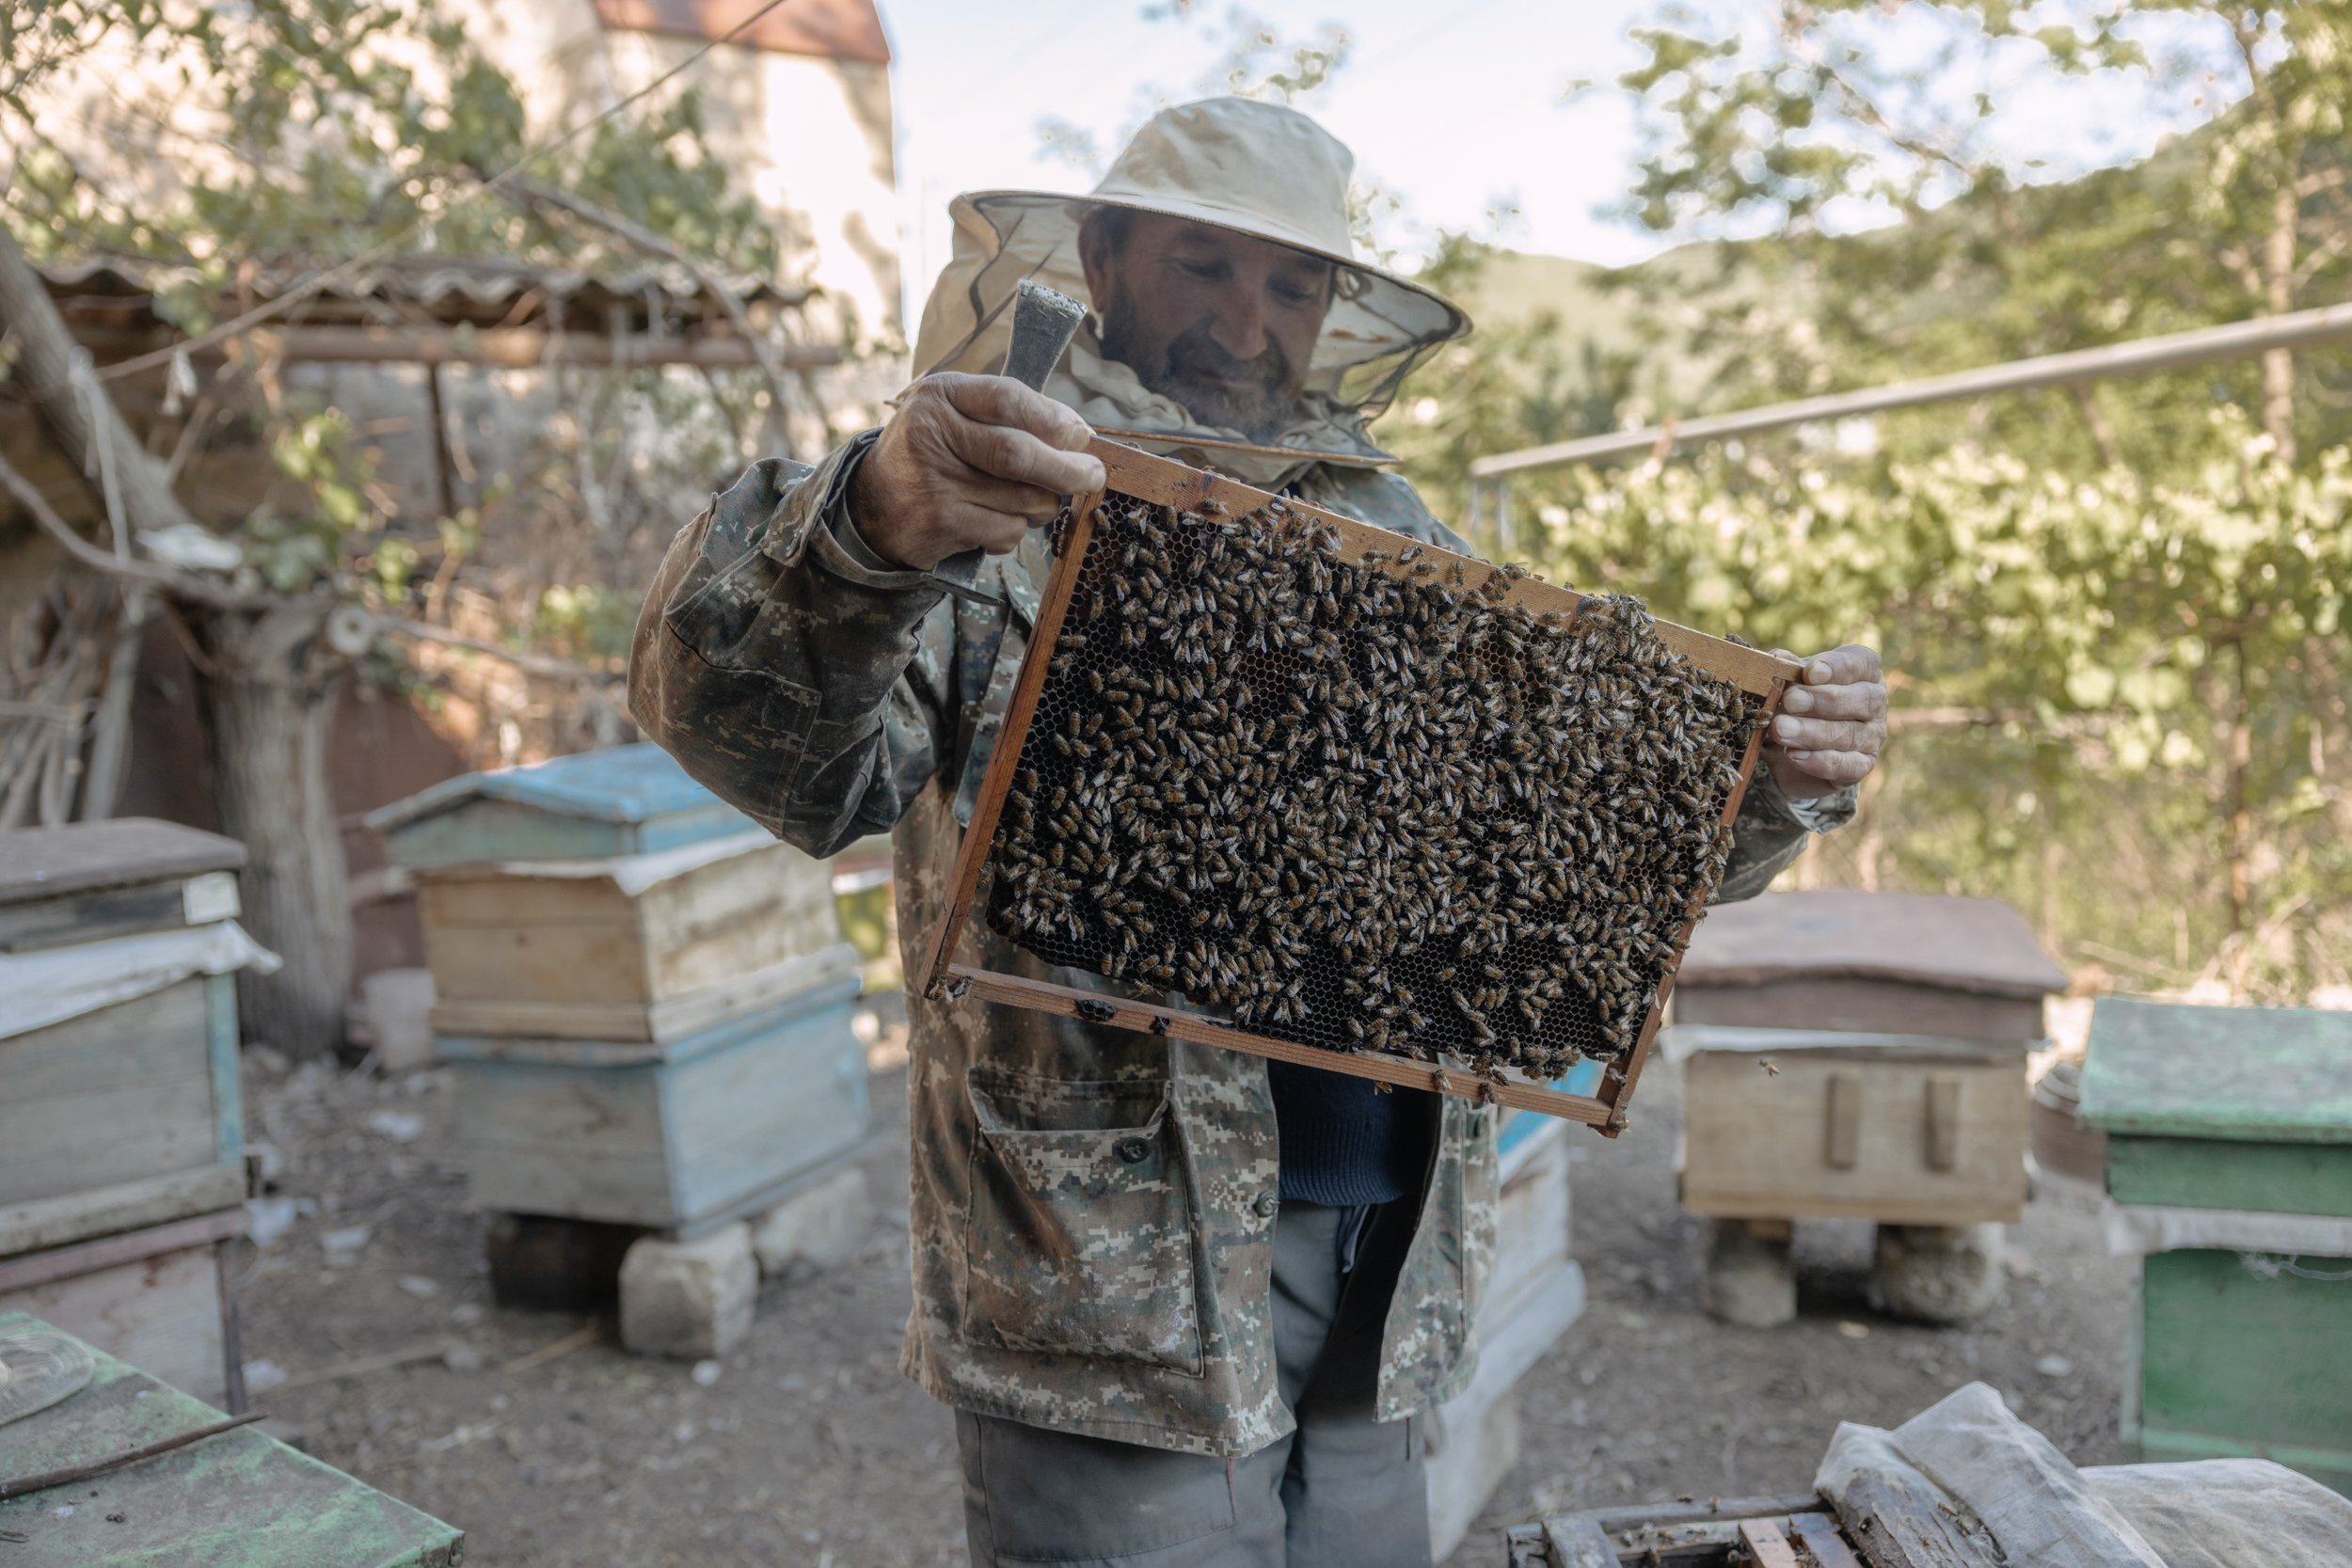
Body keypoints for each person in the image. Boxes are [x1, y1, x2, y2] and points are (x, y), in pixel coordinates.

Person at [631, 97, 1887, 1568]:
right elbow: (771, 749)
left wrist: (1766, 781)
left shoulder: (1397, 528)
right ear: (1101, 261)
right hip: (1109, 1277)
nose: (1247, 322)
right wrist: (871, 527)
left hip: (1384, 1267)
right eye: (1203, 265)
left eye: (1293, 284)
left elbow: (1561, 868)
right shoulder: (985, 487)